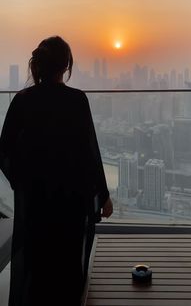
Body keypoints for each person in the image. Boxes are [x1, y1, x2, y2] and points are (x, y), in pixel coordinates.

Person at [0, 36, 113, 306]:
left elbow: (4, 150)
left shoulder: (22, 100)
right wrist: (103, 195)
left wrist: (23, 183)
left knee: (38, 267)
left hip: (36, 202)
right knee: (67, 266)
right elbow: (90, 154)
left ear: (38, 65)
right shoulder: (77, 100)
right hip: (71, 202)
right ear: (66, 66)